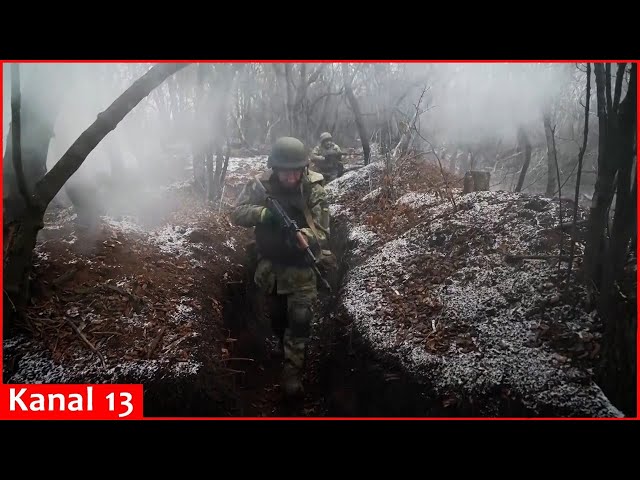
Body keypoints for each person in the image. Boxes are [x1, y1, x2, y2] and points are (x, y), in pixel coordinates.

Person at [230, 136, 336, 399]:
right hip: (271, 269)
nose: (290, 177)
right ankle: (282, 345)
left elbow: (323, 232)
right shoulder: (261, 185)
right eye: (285, 171)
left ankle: (292, 373)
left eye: (296, 171)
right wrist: (264, 214)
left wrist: (303, 236)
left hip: (301, 267)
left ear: (304, 168)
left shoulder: (314, 190)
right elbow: (237, 213)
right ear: (275, 168)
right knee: (278, 317)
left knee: (299, 320)